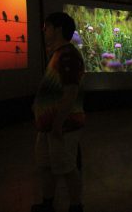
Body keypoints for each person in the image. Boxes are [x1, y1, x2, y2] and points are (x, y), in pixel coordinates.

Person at [31, 12, 85, 212]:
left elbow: (71, 92)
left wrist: (57, 124)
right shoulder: (58, 53)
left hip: (63, 127)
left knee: (67, 167)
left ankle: (75, 206)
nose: (44, 30)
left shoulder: (68, 55)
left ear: (58, 29)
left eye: (47, 27)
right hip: (50, 127)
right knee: (46, 166)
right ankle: (47, 203)